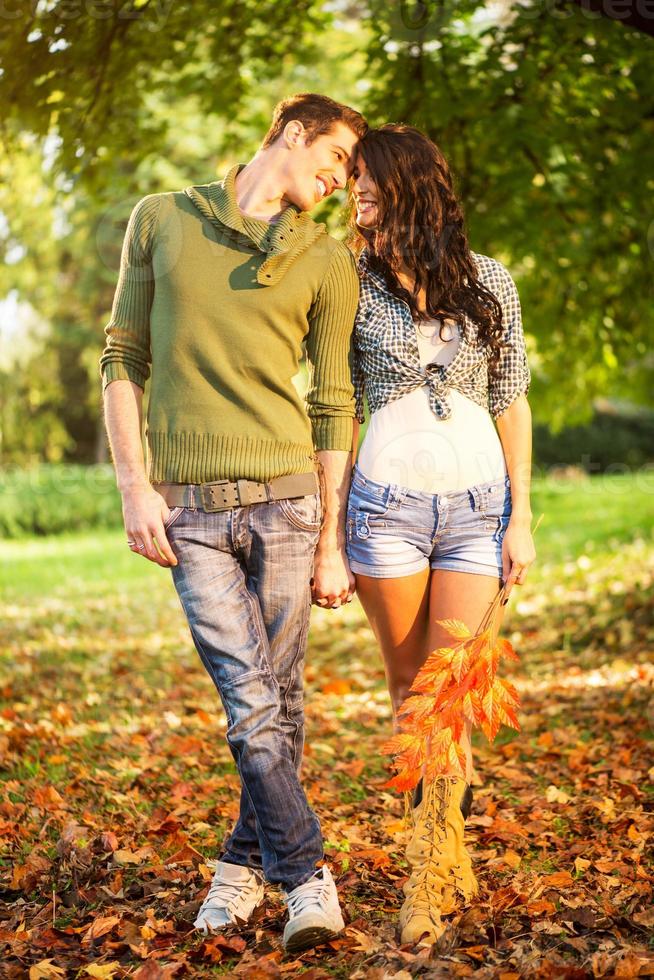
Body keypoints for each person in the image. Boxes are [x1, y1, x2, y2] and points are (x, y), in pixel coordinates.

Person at [99, 93, 367, 953]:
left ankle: (236, 871)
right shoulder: (163, 220)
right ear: (293, 134)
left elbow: (333, 403)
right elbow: (123, 358)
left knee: (274, 707)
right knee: (253, 704)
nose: (336, 181)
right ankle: (307, 878)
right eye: (333, 161)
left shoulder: (326, 260)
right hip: (194, 515)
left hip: (290, 503)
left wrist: (331, 539)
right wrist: (135, 488)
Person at [346, 124, 536, 944]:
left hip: (477, 509)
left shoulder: (489, 281)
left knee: (451, 691)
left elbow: (512, 399)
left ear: (409, 185)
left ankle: (430, 869)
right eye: (349, 179)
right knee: (410, 692)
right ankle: (437, 849)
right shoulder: (346, 284)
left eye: (366, 180)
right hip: (383, 509)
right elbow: (337, 406)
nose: (354, 194)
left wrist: (522, 513)